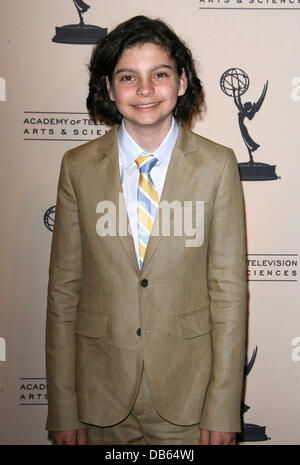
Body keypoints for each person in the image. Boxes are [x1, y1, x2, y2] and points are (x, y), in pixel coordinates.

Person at [46, 15, 247, 445]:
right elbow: (64, 293)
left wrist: (224, 407)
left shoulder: (218, 166)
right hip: (98, 399)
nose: (143, 90)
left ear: (181, 82)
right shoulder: (76, 169)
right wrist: (63, 408)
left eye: (159, 74)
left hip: (190, 400)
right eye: (127, 76)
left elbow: (228, 295)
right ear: (107, 87)